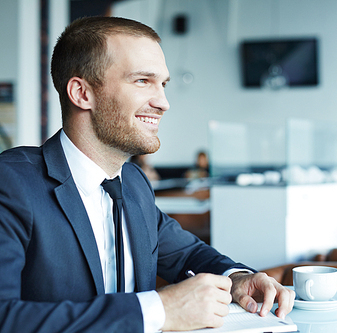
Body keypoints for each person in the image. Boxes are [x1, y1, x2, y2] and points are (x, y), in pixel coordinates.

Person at [0, 16, 294, 332]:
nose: (163, 102)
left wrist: (237, 279)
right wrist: (159, 311)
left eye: (163, 84)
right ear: (82, 93)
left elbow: (188, 253)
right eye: (143, 81)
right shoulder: (11, 183)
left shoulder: (134, 183)